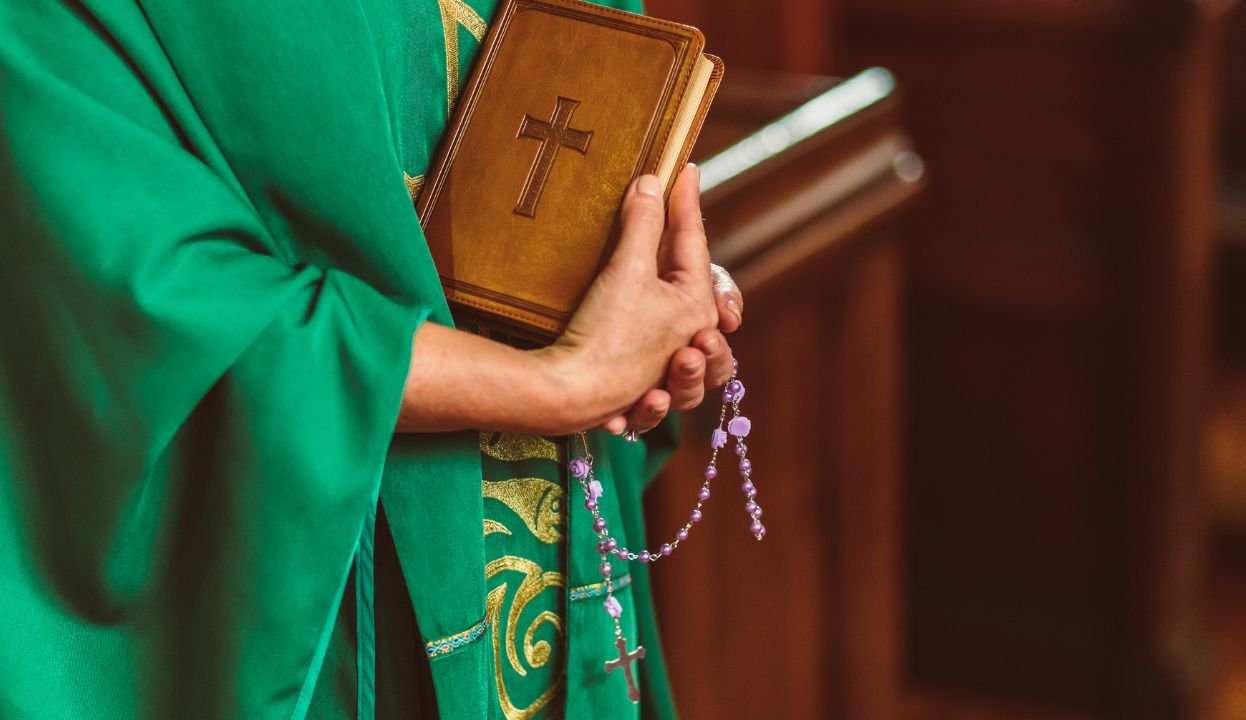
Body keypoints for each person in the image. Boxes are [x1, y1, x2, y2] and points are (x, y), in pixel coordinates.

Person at [0, 0, 743, 718]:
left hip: (554, 550)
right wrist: (563, 382)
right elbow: (140, 297)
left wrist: (650, 286)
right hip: (326, 581)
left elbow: (615, 113)